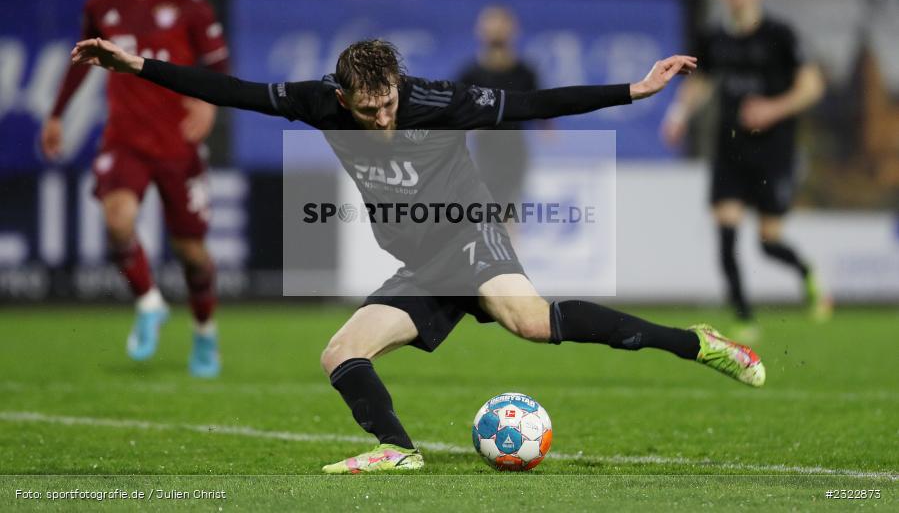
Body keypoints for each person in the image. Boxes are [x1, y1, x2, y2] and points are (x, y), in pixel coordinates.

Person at [69, 36, 765, 475]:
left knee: (528, 321)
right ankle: (398, 450)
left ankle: (695, 345)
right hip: (420, 262)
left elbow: (529, 102)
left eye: (387, 105)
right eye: (367, 110)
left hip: (467, 231)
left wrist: (632, 90)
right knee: (341, 354)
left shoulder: (436, 101)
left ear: (399, 87)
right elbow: (234, 93)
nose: (380, 120)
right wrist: (136, 66)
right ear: (343, 96)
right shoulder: (320, 102)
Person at [41, 0, 230, 377]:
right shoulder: (103, 3)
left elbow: (219, 64)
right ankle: (149, 302)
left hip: (177, 144)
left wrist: (208, 106)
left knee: (192, 255)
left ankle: (205, 333)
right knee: (117, 220)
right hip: (124, 139)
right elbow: (82, 60)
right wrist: (57, 114)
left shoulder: (191, 5)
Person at [661, 0, 830, 336]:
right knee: (726, 229)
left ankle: (806, 273)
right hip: (731, 147)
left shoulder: (780, 35)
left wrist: (773, 109)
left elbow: (812, 86)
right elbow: (701, 81)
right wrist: (678, 114)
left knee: (768, 241)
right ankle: (743, 317)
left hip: (774, 150)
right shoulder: (714, 37)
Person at [458, 6, 539, 208]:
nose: (496, 29)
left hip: (514, 153)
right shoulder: (470, 75)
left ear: (513, 29)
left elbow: (540, 112)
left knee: (510, 210)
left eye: (501, 23)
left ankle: (509, 239)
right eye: (490, 24)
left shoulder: (525, 74)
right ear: (480, 29)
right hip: (483, 154)